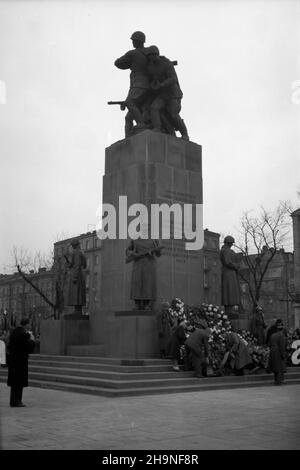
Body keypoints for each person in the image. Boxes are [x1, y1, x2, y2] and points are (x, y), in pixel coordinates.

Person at [145, 46, 189, 140]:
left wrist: (162, 84)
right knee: (154, 107)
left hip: (173, 93)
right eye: (150, 56)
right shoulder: (150, 67)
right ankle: (157, 128)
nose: (151, 58)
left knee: (174, 114)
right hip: (163, 94)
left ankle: (185, 134)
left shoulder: (166, 63)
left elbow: (173, 79)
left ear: (157, 54)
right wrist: (154, 84)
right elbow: (153, 80)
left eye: (153, 55)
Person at [114, 31, 150, 136]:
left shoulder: (133, 53)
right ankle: (128, 138)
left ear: (138, 41)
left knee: (130, 102)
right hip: (144, 87)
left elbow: (118, 63)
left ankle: (141, 124)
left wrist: (130, 62)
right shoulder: (149, 54)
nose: (133, 43)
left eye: (134, 40)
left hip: (140, 84)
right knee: (128, 117)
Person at [126, 238, 162, 310]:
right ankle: (137, 303)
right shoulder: (135, 239)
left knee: (148, 283)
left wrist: (155, 251)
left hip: (149, 263)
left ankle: (147, 304)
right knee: (137, 283)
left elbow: (159, 254)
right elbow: (127, 251)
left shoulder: (154, 239)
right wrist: (133, 253)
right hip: (138, 263)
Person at [7, 318, 35, 407]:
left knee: (14, 383)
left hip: (13, 361)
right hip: (20, 362)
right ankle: (17, 401)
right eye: (29, 324)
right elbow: (28, 348)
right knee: (19, 383)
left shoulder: (14, 333)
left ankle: (13, 400)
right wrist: (32, 340)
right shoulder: (23, 334)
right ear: (26, 325)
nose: (30, 326)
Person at [65, 239, 87, 315]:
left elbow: (77, 264)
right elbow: (84, 264)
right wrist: (70, 264)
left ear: (74, 245)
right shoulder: (82, 252)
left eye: (72, 246)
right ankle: (78, 310)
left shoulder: (76, 252)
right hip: (81, 274)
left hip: (77, 274)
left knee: (77, 292)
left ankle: (77, 311)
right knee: (79, 292)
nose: (72, 247)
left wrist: (75, 277)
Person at [220, 235, 241, 315]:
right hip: (228, 273)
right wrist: (236, 266)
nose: (232, 245)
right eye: (231, 243)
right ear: (228, 243)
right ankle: (228, 308)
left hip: (231, 272)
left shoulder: (229, 251)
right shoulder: (225, 251)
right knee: (229, 290)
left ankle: (230, 308)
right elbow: (227, 262)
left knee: (231, 290)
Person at [268, 320, 287, 385]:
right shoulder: (282, 335)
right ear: (282, 329)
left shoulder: (273, 335)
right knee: (280, 367)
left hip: (272, 351)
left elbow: (269, 344)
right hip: (278, 352)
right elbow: (282, 346)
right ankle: (279, 381)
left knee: (275, 367)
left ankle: (276, 380)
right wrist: (283, 355)